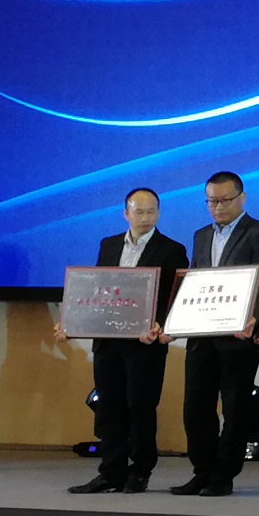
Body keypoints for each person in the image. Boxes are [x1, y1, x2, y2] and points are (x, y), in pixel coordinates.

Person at [69, 188, 184, 495]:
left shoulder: (172, 249)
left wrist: (160, 323)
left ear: (158, 213)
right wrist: (73, 321)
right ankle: (110, 472)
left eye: (151, 211)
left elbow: (174, 297)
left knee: (140, 406)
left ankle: (141, 470)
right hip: (108, 341)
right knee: (109, 407)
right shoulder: (108, 245)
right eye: (139, 211)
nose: (145, 217)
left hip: (145, 343)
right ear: (126, 214)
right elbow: (97, 289)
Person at [174, 171, 259, 496]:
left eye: (225, 200)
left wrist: (253, 320)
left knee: (234, 408)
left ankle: (223, 475)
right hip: (202, 334)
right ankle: (202, 470)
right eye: (211, 201)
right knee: (195, 407)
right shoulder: (201, 235)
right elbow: (194, 281)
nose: (218, 207)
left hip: (238, 336)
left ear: (242, 198)